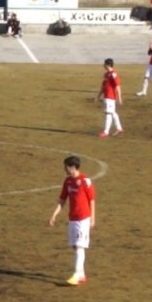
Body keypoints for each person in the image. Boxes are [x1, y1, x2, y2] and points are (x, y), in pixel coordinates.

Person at [48, 155, 96, 286]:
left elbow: (92, 200)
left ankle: (76, 274)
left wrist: (93, 219)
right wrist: (54, 214)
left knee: (80, 246)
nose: (64, 169)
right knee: (76, 246)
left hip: (83, 219)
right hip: (73, 218)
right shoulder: (68, 181)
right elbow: (62, 200)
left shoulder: (85, 181)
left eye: (66, 167)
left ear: (73, 167)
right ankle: (82, 275)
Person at [96, 58, 123, 138]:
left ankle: (106, 132)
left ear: (108, 65)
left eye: (104, 64)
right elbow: (103, 86)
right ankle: (119, 128)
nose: (103, 65)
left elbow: (118, 86)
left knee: (108, 113)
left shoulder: (113, 74)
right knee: (112, 112)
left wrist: (119, 98)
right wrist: (99, 96)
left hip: (110, 97)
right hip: (106, 96)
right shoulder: (106, 74)